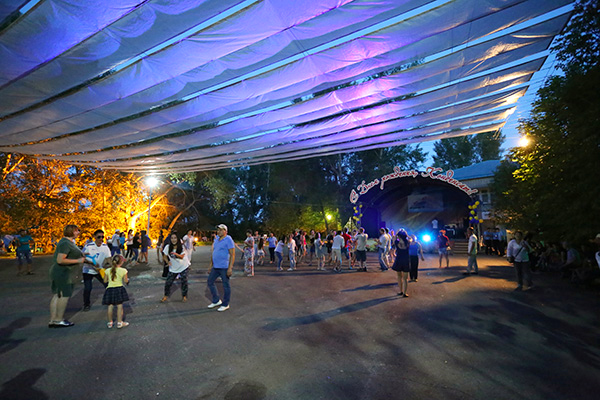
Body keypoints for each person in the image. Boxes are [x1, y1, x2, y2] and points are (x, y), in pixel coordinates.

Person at [49, 225, 85, 328]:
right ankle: (59, 319)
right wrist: (78, 261)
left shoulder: (67, 242)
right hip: (64, 273)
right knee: (64, 295)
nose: (78, 233)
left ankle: (53, 320)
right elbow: (60, 260)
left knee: (58, 295)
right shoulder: (65, 243)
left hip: (62, 272)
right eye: (77, 231)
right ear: (71, 231)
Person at [81, 229, 111, 311]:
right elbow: (82, 258)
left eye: (102, 237)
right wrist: (92, 263)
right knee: (88, 288)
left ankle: (110, 300)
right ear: (94, 237)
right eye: (99, 237)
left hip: (99, 270)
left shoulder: (105, 247)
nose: (101, 239)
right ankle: (86, 304)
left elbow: (109, 258)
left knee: (108, 285)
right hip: (88, 270)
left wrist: (113, 267)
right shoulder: (88, 246)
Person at [207, 224, 235, 312]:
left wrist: (230, 268)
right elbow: (214, 253)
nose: (218, 231)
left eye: (220, 230)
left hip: (224, 267)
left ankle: (225, 304)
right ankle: (216, 300)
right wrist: (210, 265)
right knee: (210, 282)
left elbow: (232, 254)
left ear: (225, 231)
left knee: (226, 285)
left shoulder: (228, 239)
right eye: (218, 230)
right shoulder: (216, 240)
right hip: (215, 266)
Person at [161, 233, 191, 303]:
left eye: (175, 238)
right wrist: (167, 262)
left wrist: (175, 254)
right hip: (173, 268)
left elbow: (182, 257)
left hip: (183, 266)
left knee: (184, 281)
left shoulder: (182, 247)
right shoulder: (168, 247)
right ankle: (166, 296)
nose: (173, 240)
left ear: (177, 239)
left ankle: (184, 296)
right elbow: (164, 256)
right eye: (172, 238)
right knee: (168, 282)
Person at [103, 254, 130, 329]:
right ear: (121, 262)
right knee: (119, 306)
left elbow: (105, 281)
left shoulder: (107, 270)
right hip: (119, 289)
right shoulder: (123, 270)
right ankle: (119, 322)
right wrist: (128, 281)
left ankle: (110, 322)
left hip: (110, 289)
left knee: (110, 306)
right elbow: (125, 281)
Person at [392, 230, 411, 297]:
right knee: (405, 278)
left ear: (399, 236)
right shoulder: (408, 242)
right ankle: (405, 293)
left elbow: (394, 238)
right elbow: (410, 238)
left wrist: (397, 233)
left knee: (399, 277)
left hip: (399, 260)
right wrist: (406, 234)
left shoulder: (397, 242)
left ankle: (400, 291)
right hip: (406, 260)